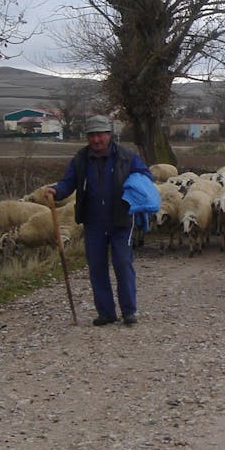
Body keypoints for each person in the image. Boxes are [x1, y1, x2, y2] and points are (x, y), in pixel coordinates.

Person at [45, 115, 154, 327]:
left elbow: (145, 176)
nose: (96, 140)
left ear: (109, 135)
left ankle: (128, 311)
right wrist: (56, 191)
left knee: (123, 263)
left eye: (100, 135)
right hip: (93, 220)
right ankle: (106, 312)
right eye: (92, 135)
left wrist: (135, 188)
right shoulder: (81, 159)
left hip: (121, 218)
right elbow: (68, 182)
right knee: (96, 266)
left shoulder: (126, 157)